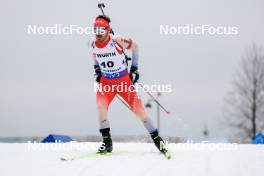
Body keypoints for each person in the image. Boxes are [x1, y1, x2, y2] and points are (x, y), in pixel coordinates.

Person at [90, 15, 169, 156]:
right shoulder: (92, 43)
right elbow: (95, 56)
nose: (98, 32)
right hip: (106, 83)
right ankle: (107, 142)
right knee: (100, 108)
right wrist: (97, 70)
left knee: (140, 112)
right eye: (96, 29)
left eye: (102, 29)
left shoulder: (118, 40)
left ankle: (158, 140)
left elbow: (136, 47)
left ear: (108, 30)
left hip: (123, 81)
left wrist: (134, 68)